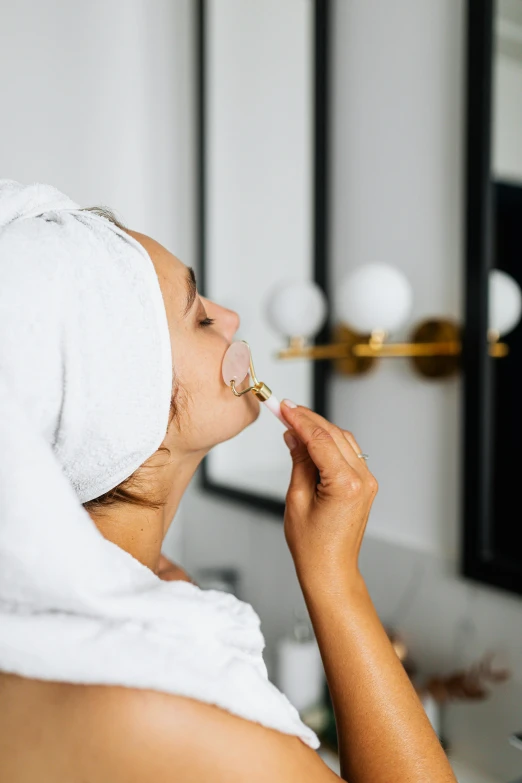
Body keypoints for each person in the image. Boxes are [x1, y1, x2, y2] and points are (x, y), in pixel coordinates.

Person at [0, 205, 456, 782]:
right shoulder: (155, 699)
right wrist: (333, 577)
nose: (232, 316)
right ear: (121, 396)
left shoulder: (143, 605)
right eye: (198, 318)